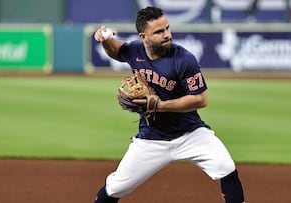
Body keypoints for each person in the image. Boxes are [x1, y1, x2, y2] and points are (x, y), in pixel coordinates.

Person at [93, 6, 245, 203]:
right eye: (158, 31)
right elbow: (117, 50)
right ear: (143, 37)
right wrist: (105, 41)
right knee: (115, 188)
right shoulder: (135, 51)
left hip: (190, 134)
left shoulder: (183, 59)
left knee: (226, 168)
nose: (167, 35)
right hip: (151, 138)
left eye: (167, 28)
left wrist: (159, 105)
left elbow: (201, 99)